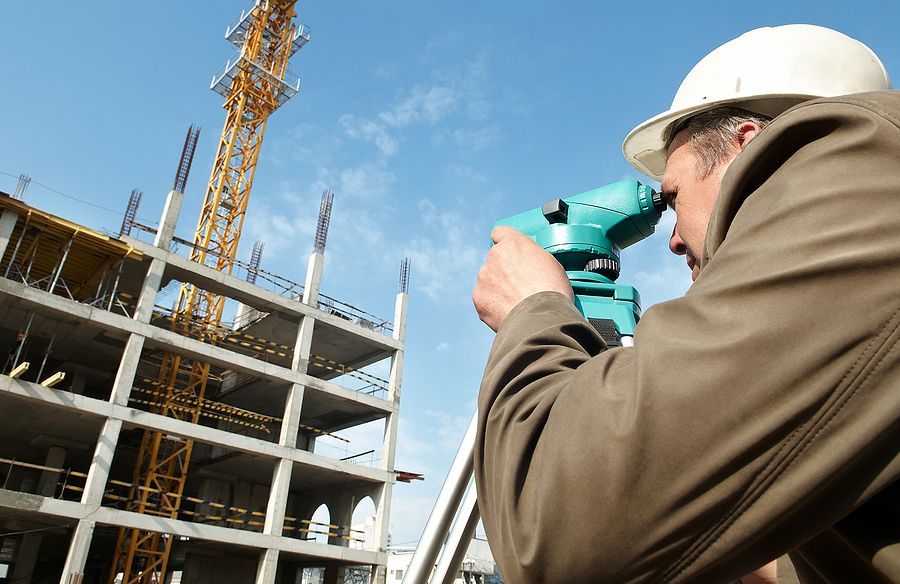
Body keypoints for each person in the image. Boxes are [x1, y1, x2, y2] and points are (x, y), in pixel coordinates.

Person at [472, 24, 899, 583]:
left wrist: (534, 310)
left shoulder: (861, 179)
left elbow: (556, 539)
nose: (672, 237)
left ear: (747, 143)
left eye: (673, 197)